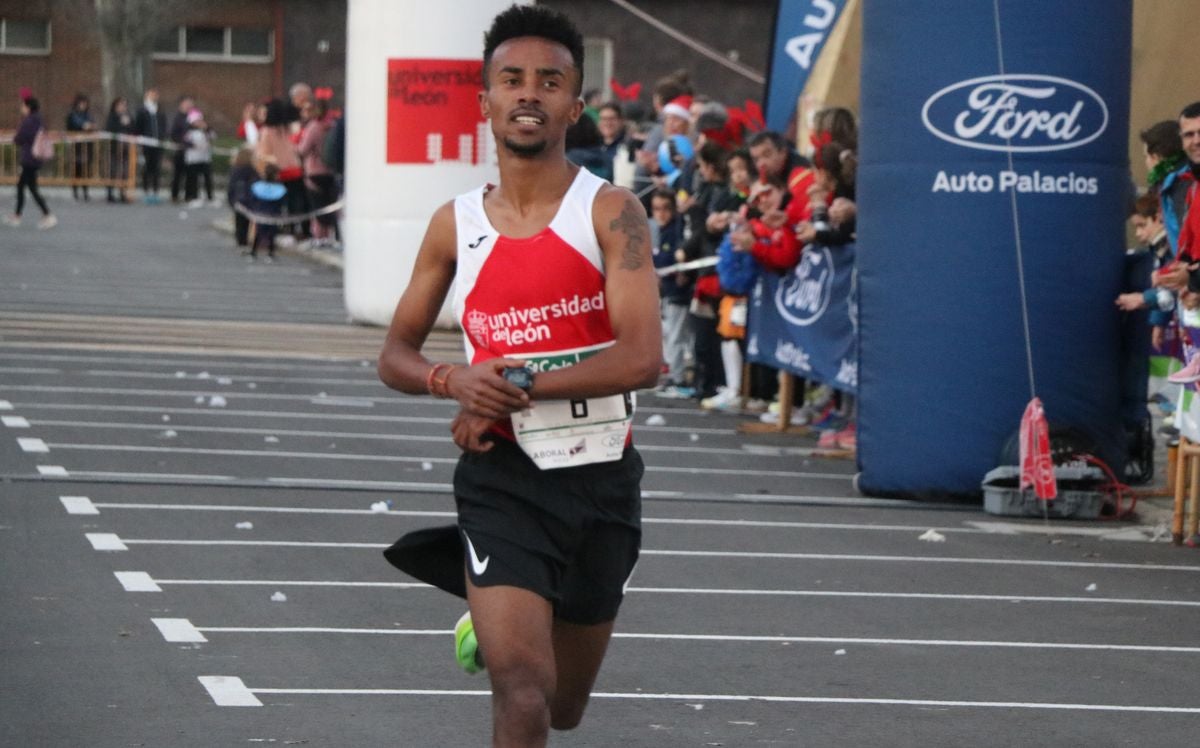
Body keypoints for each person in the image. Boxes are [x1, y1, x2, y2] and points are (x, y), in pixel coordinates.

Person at [376, 6, 661, 745]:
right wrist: (453, 382)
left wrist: (512, 386)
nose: (528, 93)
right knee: (524, 695)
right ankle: (504, 613)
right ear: (486, 102)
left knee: (563, 706)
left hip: (600, 480)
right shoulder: (455, 223)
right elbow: (395, 355)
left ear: (575, 103)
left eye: (549, 81)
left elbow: (643, 359)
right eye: (511, 80)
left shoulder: (610, 212)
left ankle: (501, 614)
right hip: (501, 480)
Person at [649, 187, 693, 395]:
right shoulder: (664, 231)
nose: (661, 213)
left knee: (676, 336)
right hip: (669, 290)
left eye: (666, 208)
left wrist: (652, 259)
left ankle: (679, 378)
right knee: (671, 334)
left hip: (678, 291)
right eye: (656, 209)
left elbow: (670, 259)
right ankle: (677, 373)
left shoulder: (677, 230)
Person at [4, 97, 57, 229]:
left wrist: (17, 138)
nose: (21, 108)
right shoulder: (39, 120)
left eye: (23, 105)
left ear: (28, 107)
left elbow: (20, 138)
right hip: (34, 158)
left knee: (31, 189)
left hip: (29, 158)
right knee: (22, 186)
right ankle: (17, 215)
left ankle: (47, 214)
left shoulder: (29, 121)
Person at [297, 98, 338, 246]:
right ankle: (330, 235)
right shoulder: (332, 125)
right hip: (330, 171)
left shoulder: (313, 127)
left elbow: (303, 149)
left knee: (317, 205)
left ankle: (319, 236)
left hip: (314, 171)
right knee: (329, 204)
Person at [134, 88, 168, 203]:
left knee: (156, 168)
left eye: (156, 95)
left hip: (157, 144)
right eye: (152, 95)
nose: (155, 97)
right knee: (147, 168)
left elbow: (163, 126)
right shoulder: (142, 111)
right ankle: (146, 191)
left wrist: (162, 137)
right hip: (146, 144)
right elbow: (138, 127)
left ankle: (155, 191)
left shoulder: (159, 111)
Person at [247, 164, 286, 261]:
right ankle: (270, 253)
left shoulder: (258, 187)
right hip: (273, 214)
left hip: (260, 213)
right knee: (271, 234)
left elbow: (252, 199)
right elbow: (282, 202)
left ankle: (253, 252)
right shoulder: (279, 188)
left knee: (258, 233)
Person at [65, 93, 96, 201]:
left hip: (86, 146)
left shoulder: (88, 114)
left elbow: (92, 125)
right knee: (76, 170)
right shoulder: (72, 114)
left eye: (85, 103)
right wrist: (84, 125)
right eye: (81, 103)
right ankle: (75, 192)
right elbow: (74, 123)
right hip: (76, 146)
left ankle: (85, 192)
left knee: (86, 170)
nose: (83, 105)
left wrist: (90, 126)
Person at [182, 109, 216, 208]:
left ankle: (210, 197)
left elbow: (213, 137)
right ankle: (194, 197)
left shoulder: (205, 130)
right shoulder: (189, 131)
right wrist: (193, 145)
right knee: (194, 179)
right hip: (193, 158)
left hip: (205, 158)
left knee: (207, 178)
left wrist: (206, 128)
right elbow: (184, 141)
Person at [104, 96, 134, 203]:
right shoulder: (112, 117)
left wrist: (128, 123)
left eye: (124, 105)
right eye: (121, 105)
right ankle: (110, 193)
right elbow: (109, 129)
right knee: (112, 170)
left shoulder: (128, 117)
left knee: (124, 172)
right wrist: (120, 123)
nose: (123, 107)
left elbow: (133, 129)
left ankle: (123, 193)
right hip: (114, 148)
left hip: (125, 149)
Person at [227, 148, 258, 250]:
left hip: (237, 199)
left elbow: (231, 186)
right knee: (246, 221)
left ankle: (240, 240)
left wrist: (230, 199)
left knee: (239, 221)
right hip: (248, 199)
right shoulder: (252, 170)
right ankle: (245, 239)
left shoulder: (235, 169)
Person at [169, 95, 195, 203]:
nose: (189, 105)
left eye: (191, 103)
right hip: (180, 150)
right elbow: (173, 133)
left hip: (191, 151)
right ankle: (174, 195)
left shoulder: (192, 117)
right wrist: (181, 141)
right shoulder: (178, 118)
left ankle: (189, 195)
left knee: (190, 174)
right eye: (187, 103)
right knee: (178, 174)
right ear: (182, 104)